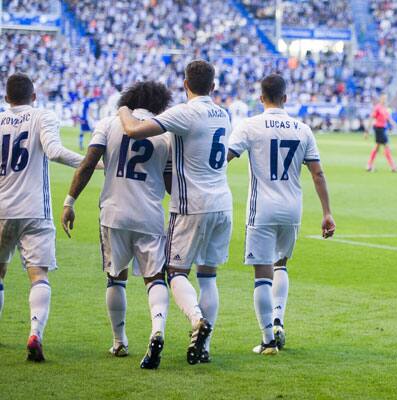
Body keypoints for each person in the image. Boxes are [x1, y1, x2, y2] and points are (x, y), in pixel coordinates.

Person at [117, 60, 232, 365]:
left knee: (175, 272)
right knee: (208, 276)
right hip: (223, 204)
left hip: (191, 206)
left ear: (184, 84)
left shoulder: (184, 112)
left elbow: (134, 130)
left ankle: (197, 321)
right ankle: (203, 348)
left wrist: (124, 109)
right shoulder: (225, 114)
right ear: (214, 86)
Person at [61, 81, 173, 369]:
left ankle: (119, 341)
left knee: (115, 277)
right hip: (149, 214)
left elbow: (87, 164)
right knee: (155, 279)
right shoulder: (165, 132)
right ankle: (157, 330)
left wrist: (70, 201)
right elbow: (172, 182)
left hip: (114, 213)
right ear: (160, 103)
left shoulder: (109, 123)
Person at [227, 74, 335, 355]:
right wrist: (327, 213)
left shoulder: (249, 126)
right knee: (281, 265)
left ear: (261, 98)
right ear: (285, 98)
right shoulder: (303, 130)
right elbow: (317, 173)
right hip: (291, 209)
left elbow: (223, 158)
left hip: (261, 208)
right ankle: (278, 320)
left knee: (262, 274)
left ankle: (267, 340)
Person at [0, 73, 86, 361]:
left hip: (1, 209)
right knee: (38, 275)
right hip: (35, 209)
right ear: (34, 96)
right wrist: (91, 163)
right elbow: (55, 152)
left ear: (6, 97)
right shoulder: (42, 116)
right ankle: (35, 333)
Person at [365, 94, 397, 172]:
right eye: (383, 98)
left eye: (386, 99)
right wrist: (367, 131)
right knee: (386, 146)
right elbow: (371, 118)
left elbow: (388, 119)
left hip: (382, 128)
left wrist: (395, 125)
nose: (385, 100)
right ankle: (393, 166)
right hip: (378, 128)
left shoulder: (384, 108)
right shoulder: (377, 107)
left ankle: (369, 165)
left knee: (377, 147)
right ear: (380, 99)